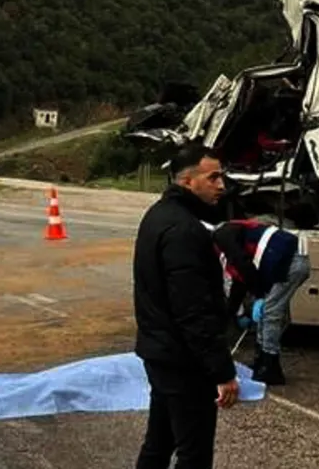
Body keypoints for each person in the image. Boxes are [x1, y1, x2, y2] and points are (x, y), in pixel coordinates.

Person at [133, 142, 241, 469]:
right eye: (213, 178)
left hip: (161, 352)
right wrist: (222, 372)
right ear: (188, 181)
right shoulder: (183, 230)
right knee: (193, 454)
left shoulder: (158, 215)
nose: (221, 185)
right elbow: (193, 311)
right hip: (183, 361)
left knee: (159, 442)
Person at [214, 219, 311, 385]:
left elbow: (243, 264)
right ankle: (261, 362)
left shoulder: (222, 235)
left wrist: (259, 295)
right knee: (267, 312)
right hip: (284, 260)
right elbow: (240, 281)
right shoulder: (228, 242)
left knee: (270, 313)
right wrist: (231, 314)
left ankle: (270, 366)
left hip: (290, 261)